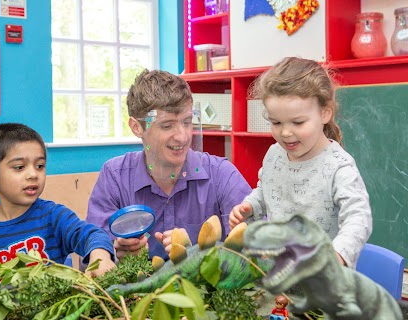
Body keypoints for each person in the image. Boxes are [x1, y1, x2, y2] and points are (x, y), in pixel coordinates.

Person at [86, 69, 252, 261]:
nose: (182, 136)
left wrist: (201, 254)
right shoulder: (114, 176)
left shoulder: (222, 175)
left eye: (187, 122)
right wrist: (113, 254)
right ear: (137, 127)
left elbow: (255, 247)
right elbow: (93, 252)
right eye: (167, 125)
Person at [229, 57, 372, 268]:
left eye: (298, 122)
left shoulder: (339, 166)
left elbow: (358, 218)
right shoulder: (274, 154)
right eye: (276, 122)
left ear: (325, 113)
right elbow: (266, 189)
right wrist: (250, 206)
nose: (286, 133)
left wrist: (337, 255)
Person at [0, 123, 115, 277]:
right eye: (19, 167)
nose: (33, 174)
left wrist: (100, 255)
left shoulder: (53, 216)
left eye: (39, 166)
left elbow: (92, 234)